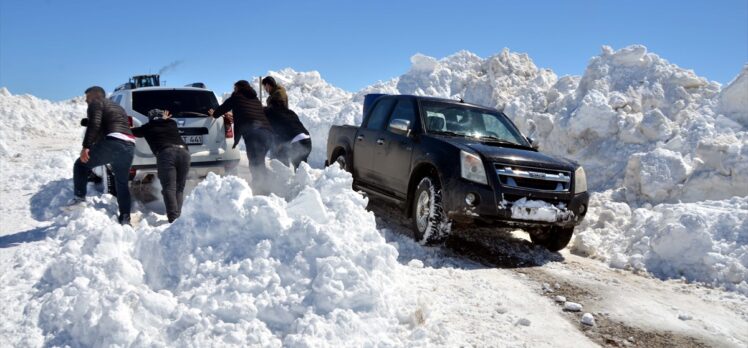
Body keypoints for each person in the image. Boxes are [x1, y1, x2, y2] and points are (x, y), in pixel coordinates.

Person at [65, 86, 135, 225]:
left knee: (80, 165)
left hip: (114, 142)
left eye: (87, 98)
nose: (86, 101)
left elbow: (94, 124)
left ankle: (79, 199)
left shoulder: (96, 103)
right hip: (129, 145)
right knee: (121, 184)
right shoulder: (118, 107)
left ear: (95, 96)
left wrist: (86, 147)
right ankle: (125, 218)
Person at [209, 80, 273, 188]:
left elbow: (221, 109)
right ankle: (265, 185)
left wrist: (214, 113)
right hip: (267, 133)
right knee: (259, 162)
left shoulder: (236, 97)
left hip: (254, 135)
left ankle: (261, 188)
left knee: (255, 163)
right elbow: (249, 114)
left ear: (239, 88)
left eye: (235, 88)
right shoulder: (255, 99)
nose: (234, 90)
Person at [131, 109, 191, 223]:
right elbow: (167, 120)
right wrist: (165, 118)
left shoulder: (147, 127)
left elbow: (133, 132)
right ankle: (178, 218)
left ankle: (174, 219)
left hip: (166, 154)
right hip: (185, 153)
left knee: (169, 188)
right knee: (179, 188)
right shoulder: (171, 123)